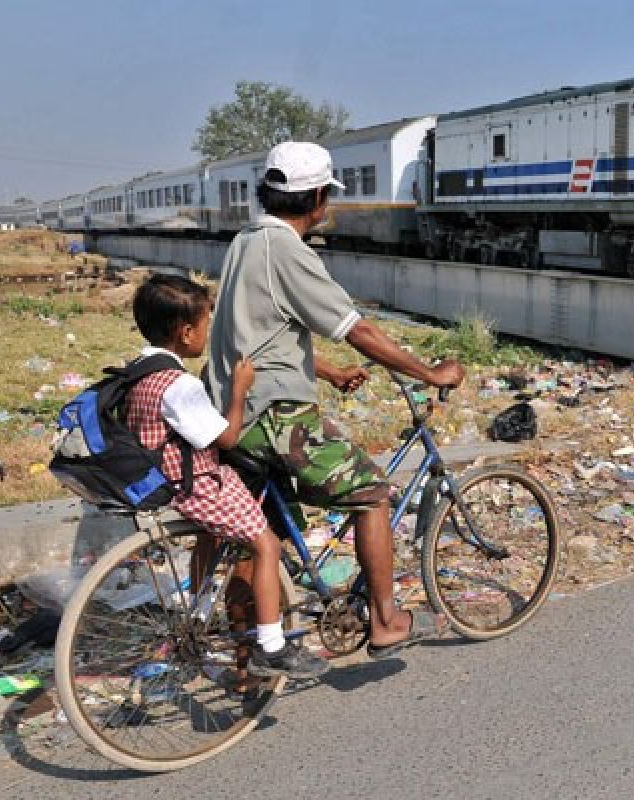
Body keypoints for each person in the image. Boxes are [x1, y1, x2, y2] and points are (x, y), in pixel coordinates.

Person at [206, 141, 464, 659]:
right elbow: (358, 330)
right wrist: (429, 371)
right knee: (374, 494)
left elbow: (258, 336)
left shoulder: (245, 242)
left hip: (232, 417)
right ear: (318, 197)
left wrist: (324, 371)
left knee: (261, 539)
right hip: (277, 421)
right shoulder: (288, 251)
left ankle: (246, 660)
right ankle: (387, 621)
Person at [127, 274, 328, 679]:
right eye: (205, 324)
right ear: (186, 333)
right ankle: (271, 645)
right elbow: (229, 436)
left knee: (209, 537)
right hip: (197, 483)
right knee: (266, 546)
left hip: (164, 481)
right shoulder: (179, 385)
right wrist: (239, 389)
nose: (208, 332)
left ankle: (200, 612)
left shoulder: (140, 369)